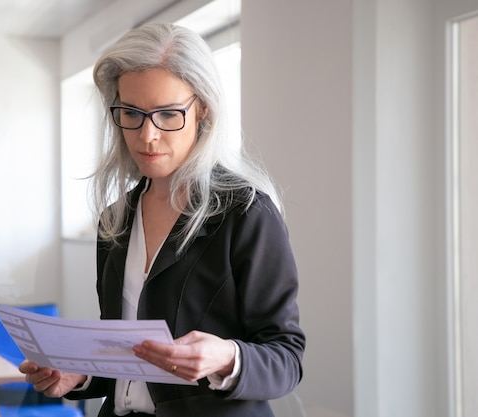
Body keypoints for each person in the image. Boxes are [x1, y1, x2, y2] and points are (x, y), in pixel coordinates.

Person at [19, 22, 305, 417]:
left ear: (203, 109)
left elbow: (287, 357)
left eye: (168, 114)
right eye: (131, 113)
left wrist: (227, 357)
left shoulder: (246, 212)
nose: (147, 135)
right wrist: (80, 373)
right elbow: (127, 356)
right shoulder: (115, 219)